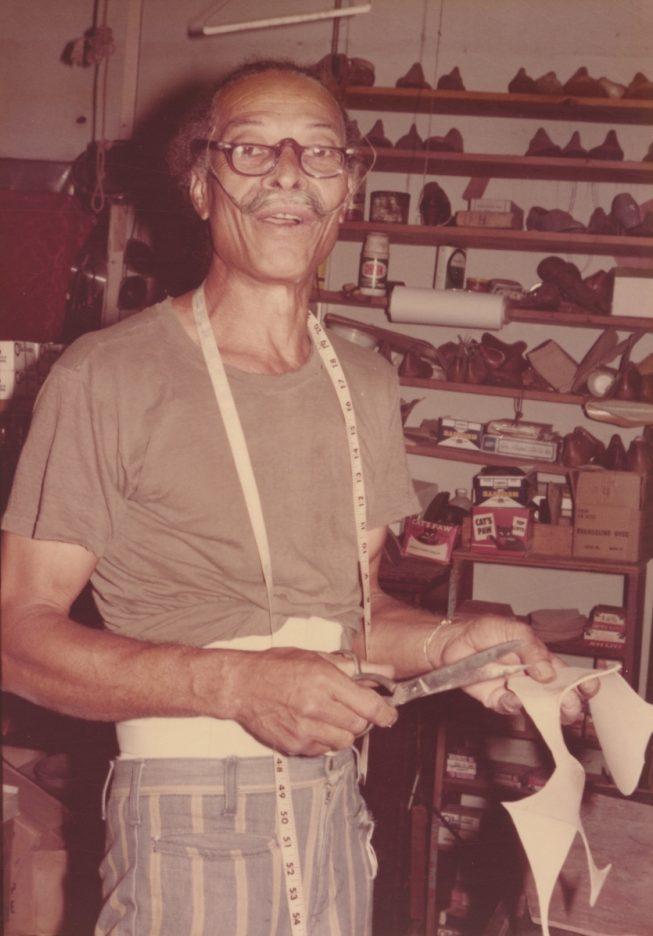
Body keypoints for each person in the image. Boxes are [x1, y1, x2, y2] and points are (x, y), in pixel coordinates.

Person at [1, 59, 589, 935]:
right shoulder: (109, 376)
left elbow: (349, 618)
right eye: (250, 150)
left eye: (319, 153)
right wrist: (237, 685)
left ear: (347, 190)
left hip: (334, 813)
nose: (287, 171)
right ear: (201, 185)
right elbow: (17, 635)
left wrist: (451, 644)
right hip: (185, 816)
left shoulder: (366, 381)